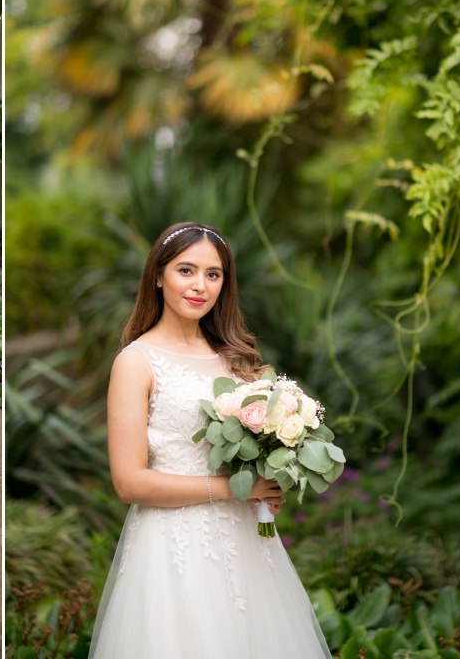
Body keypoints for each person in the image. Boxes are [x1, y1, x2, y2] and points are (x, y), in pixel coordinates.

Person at [89, 222, 331, 658]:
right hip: (172, 546)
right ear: (158, 276)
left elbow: (247, 458)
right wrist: (233, 490)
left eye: (214, 274)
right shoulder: (136, 362)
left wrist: (268, 485)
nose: (200, 285)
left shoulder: (237, 362)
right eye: (186, 270)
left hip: (248, 546)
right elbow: (129, 482)